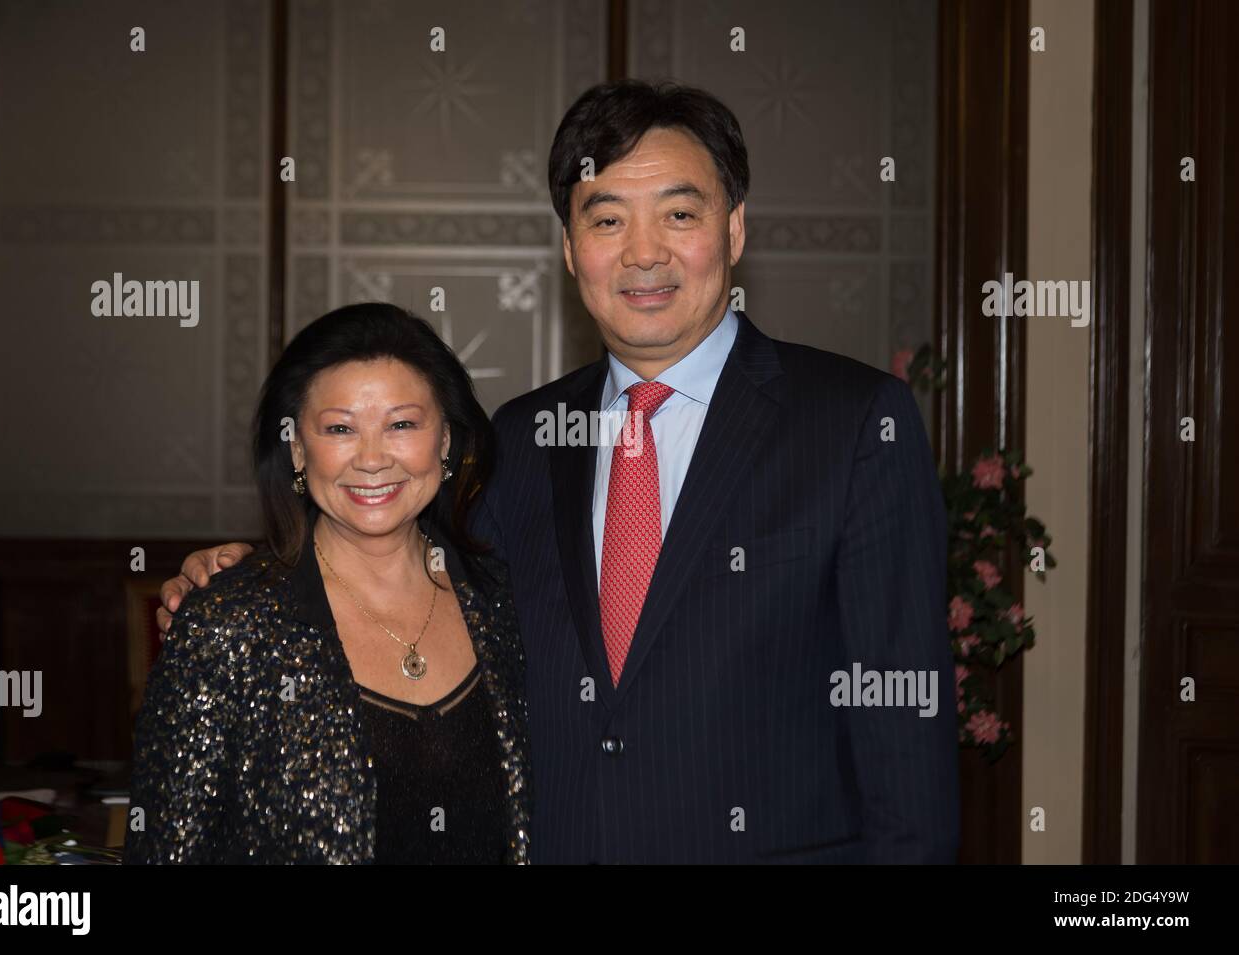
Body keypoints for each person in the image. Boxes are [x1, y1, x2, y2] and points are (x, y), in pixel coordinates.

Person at [159, 80, 959, 864]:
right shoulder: (526, 437)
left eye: (680, 214)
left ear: (736, 229)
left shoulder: (855, 424)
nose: (644, 252)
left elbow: (905, 745)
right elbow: (396, 554)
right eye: (607, 219)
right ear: (573, 250)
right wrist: (249, 574)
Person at [128, 303, 530, 864]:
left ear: (445, 442)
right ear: (296, 447)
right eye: (340, 428)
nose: (371, 459)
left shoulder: (505, 600)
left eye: (402, 424)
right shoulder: (228, 625)